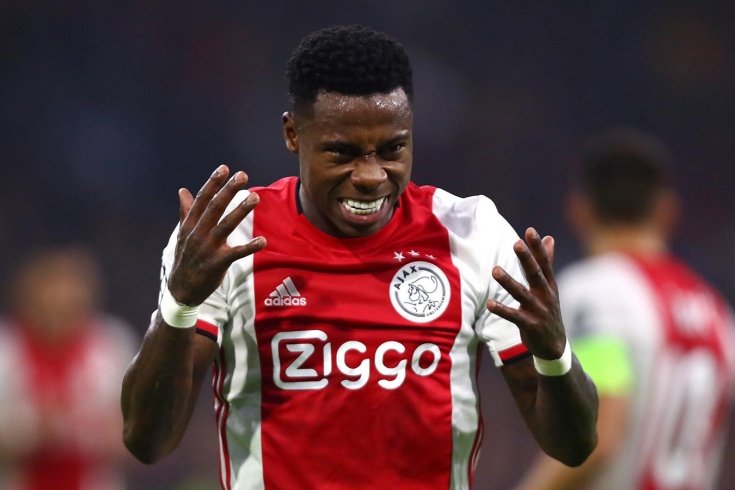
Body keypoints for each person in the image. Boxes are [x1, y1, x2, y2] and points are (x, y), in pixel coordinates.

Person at [121, 25, 598, 489]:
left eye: (392, 149)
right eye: (342, 153)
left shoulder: (472, 233)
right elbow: (148, 441)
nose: (371, 176)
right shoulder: (228, 237)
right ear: (293, 134)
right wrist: (180, 304)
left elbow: (574, 447)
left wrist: (555, 352)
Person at [516, 128, 735, 489]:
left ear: (579, 210)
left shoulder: (598, 294)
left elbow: (601, 433)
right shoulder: (716, 314)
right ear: (667, 211)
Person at [0, 247, 136, 490]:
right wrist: (31, 429)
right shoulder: (7, 349)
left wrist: (98, 431)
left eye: (69, 304)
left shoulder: (110, 345)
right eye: (50, 303)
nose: (59, 314)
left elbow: (133, 435)